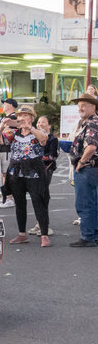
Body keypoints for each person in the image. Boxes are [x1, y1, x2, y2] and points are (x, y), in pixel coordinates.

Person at [0, 106, 50, 247]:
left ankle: (44, 234)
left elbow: (43, 139)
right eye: (21, 115)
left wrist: (30, 128)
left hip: (34, 172)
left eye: (26, 115)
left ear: (32, 118)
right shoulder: (13, 134)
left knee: (39, 201)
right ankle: (22, 234)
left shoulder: (38, 131)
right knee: (19, 203)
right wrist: (1, 126)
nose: (22, 118)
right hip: (16, 172)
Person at [69, 92, 98, 247]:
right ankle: (93, 234)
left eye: (84, 105)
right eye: (79, 105)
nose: (80, 108)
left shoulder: (92, 123)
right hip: (91, 168)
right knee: (92, 203)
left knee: (84, 203)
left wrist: (81, 162)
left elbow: (91, 147)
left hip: (87, 168)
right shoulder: (88, 122)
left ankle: (87, 236)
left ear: (93, 106)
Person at [29, 115, 58, 236]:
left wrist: (38, 158)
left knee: (43, 196)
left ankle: (45, 226)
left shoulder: (53, 139)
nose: (40, 124)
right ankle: (38, 224)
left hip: (46, 170)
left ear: (49, 125)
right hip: (33, 171)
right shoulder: (33, 138)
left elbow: (53, 156)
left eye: (44, 122)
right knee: (36, 197)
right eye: (39, 122)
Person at [0, 97, 19, 208]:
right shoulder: (4, 118)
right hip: (2, 148)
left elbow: (5, 135)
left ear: (11, 105)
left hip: (9, 149)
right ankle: (5, 196)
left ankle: (10, 198)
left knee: (8, 174)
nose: (3, 105)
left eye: (6, 103)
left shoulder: (14, 118)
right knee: (3, 174)